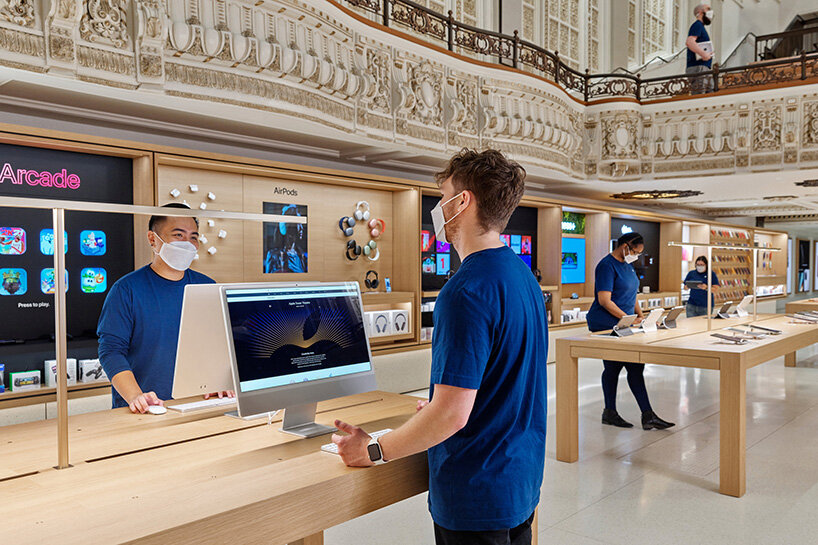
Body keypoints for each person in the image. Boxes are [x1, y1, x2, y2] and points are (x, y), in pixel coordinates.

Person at [331, 149, 548, 545]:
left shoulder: (464, 291)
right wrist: (440, 404)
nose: (439, 207)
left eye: (443, 195)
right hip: (518, 480)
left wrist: (375, 449)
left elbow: (452, 416)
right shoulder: (522, 277)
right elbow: (501, 381)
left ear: (462, 201)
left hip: (476, 493)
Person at [97, 203, 232, 413]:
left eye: (193, 237)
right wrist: (135, 396)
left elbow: (218, 346)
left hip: (196, 404)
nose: (187, 243)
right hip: (146, 409)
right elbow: (111, 351)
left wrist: (220, 383)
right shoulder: (126, 290)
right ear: (153, 239)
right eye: (178, 235)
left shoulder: (208, 287)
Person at [586, 232, 675, 431]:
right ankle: (636, 414)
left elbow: (632, 293)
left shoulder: (628, 265)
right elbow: (604, 300)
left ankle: (622, 413)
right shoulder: (606, 266)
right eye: (635, 251)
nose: (636, 255)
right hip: (606, 323)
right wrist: (627, 318)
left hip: (625, 322)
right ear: (625, 246)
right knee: (620, 367)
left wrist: (640, 315)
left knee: (627, 367)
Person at [686, 3, 714, 94]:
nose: (710, 12)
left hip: (704, 67)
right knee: (699, 96)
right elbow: (690, 42)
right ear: (700, 12)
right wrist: (704, 54)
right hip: (698, 67)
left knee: (710, 95)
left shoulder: (701, 27)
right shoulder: (697, 25)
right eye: (708, 9)